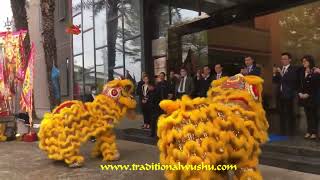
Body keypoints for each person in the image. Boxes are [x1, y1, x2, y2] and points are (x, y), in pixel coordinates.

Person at [273, 52, 299, 136]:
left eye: (285, 59)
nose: (283, 60)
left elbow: (291, 80)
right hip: (280, 94)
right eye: (282, 59)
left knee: (290, 113)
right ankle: (282, 131)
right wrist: (274, 74)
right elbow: (276, 81)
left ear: (289, 60)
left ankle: (291, 131)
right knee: (281, 113)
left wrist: (281, 73)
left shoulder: (293, 69)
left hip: (289, 94)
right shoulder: (280, 68)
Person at [297, 55, 319, 139]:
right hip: (303, 96)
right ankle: (309, 131)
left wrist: (308, 94)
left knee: (314, 115)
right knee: (307, 115)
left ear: (310, 62)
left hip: (312, 97)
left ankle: (314, 132)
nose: (303, 63)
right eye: (302, 61)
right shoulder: (301, 71)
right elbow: (299, 83)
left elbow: (315, 85)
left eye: (305, 61)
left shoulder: (315, 71)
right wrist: (300, 93)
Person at [151, 72, 172, 137]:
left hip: (165, 105)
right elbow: (155, 93)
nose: (161, 77)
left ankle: (165, 134)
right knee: (154, 118)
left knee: (165, 119)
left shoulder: (167, 83)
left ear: (164, 76)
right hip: (158, 104)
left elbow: (170, 94)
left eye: (162, 76)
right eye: (160, 76)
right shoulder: (158, 84)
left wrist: (167, 101)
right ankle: (153, 133)